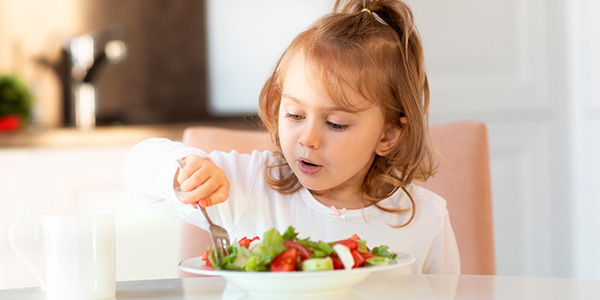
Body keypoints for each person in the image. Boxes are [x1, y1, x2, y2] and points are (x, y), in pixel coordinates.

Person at [123, 0, 460, 274]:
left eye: (336, 124)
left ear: (387, 135)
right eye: (295, 115)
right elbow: (135, 168)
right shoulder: (246, 186)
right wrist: (181, 174)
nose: (308, 138)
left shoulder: (424, 220)